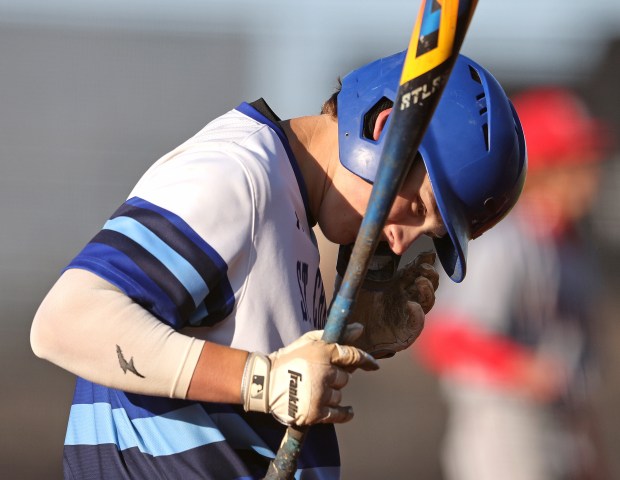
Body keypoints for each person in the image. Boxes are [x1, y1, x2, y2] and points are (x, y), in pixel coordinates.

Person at [30, 50, 526, 479]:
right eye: (417, 210)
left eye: (425, 235)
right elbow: (66, 323)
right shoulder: (240, 176)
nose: (401, 244)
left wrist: (351, 330)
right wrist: (261, 379)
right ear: (383, 128)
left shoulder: (289, 206)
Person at [415, 87, 611, 480]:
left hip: (563, 434)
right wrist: (527, 370)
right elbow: (445, 339)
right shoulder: (506, 243)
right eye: (576, 161)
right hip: (506, 438)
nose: (592, 175)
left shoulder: (574, 247)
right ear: (547, 169)